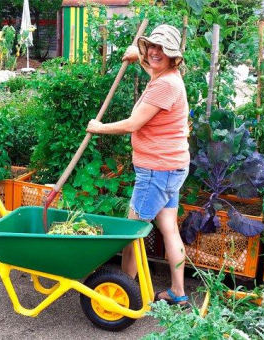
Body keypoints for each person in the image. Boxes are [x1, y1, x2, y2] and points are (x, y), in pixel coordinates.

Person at [87, 24, 190, 306]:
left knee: (132, 232)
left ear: (174, 56)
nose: (156, 53)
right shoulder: (168, 77)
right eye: (152, 47)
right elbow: (155, 71)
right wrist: (139, 58)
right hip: (172, 167)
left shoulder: (164, 85)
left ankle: (122, 293)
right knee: (169, 227)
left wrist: (99, 127)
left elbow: (133, 124)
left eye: (163, 49)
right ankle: (178, 293)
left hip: (157, 170)